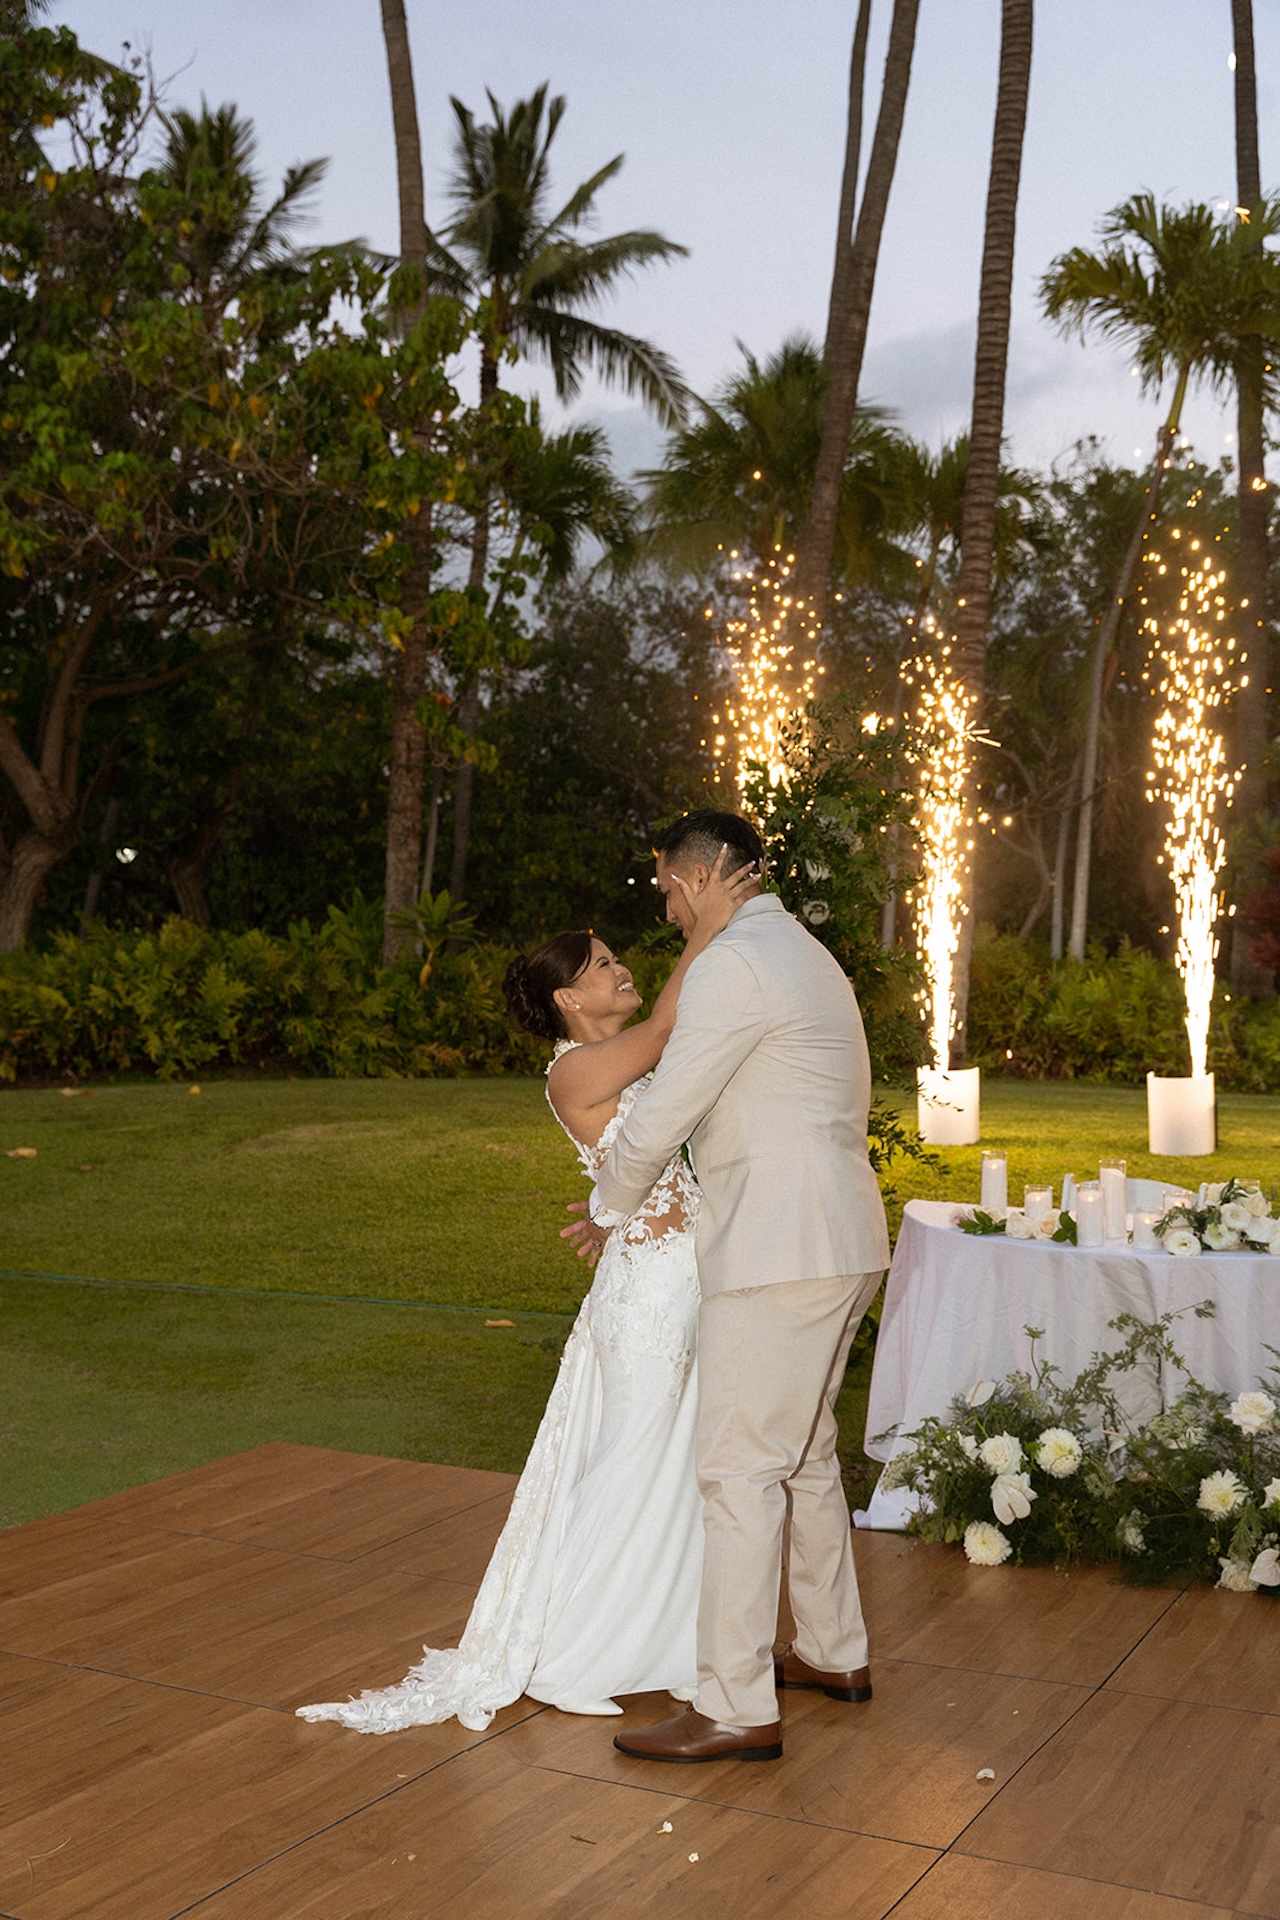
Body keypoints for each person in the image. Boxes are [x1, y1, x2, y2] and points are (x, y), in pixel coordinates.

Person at [295, 854, 752, 1735]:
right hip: (650, 1298)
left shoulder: (610, 1064)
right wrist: (705, 925)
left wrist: (606, 1209)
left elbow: (647, 1144)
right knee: (632, 1464)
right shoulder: (571, 1073)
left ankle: (657, 1647)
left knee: (671, 1471)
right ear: (569, 999)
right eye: (603, 966)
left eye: (617, 957)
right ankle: (573, 1656)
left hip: (677, 1275)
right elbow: (666, 1027)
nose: (623, 968)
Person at [572, 808, 890, 1764]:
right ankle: (832, 1649)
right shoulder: (801, 951)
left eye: (666, 888)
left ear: (700, 875)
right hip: (841, 1235)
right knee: (805, 1454)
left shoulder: (735, 965)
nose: (665, 908)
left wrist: (609, 1203)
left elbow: (670, 1105)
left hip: (778, 1247)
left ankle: (733, 1705)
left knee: (740, 1471)